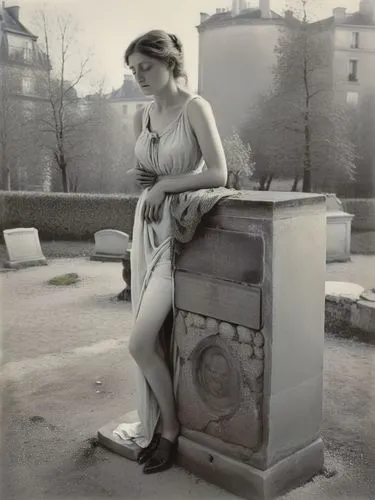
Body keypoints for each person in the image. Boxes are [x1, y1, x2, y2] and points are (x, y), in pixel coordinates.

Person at [113, 29, 235, 474]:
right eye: (133, 70)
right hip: (143, 234)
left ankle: (171, 431)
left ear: (169, 63)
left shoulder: (196, 107)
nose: (139, 76)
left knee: (140, 342)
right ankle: (164, 420)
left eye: (146, 67)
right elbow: (144, 175)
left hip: (175, 241)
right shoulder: (142, 116)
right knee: (152, 339)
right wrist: (150, 184)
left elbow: (219, 172)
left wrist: (166, 184)